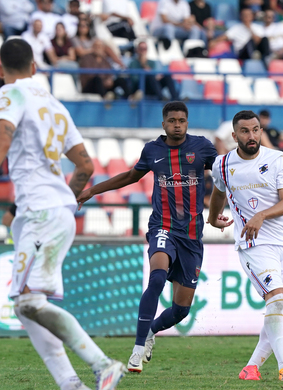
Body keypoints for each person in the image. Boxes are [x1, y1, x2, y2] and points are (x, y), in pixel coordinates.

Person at [0, 38, 125, 390]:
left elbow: (3, 135)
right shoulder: (55, 104)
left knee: (29, 301)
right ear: (35, 66)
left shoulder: (10, 94)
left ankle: (103, 365)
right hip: (48, 212)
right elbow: (85, 165)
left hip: (41, 213)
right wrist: (64, 201)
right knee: (26, 305)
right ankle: (70, 386)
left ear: (2, 70)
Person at [77, 102, 220, 374]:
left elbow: (226, 175)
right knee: (156, 278)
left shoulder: (202, 148)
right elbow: (132, 176)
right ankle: (137, 348)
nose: (177, 124)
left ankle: (153, 331)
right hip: (162, 227)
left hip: (192, 236)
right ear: (163, 124)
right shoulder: (153, 150)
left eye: (181, 120)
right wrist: (93, 190)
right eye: (172, 120)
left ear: (187, 123)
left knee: (181, 311)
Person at [208, 110, 283, 382]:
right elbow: (218, 192)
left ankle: (251, 368)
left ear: (261, 131)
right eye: (245, 131)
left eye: (256, 130)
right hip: (253, 244)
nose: (252, 136)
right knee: (277, 299)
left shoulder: (277, 159)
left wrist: (260, 215)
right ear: (234, 136)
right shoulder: (222, 164)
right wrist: (213, 218)